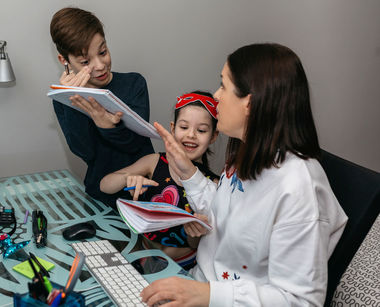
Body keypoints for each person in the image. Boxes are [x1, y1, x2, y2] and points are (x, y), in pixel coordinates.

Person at [140, 43, 348, 306]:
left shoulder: (297, 185)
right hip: (198, 285)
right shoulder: (248, 153)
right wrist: (189, 173)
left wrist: (208, 295)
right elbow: (226, 217)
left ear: (249, 102)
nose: (216, 96)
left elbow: (300, 301)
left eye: (223, 86)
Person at [100, 91, 220, 268]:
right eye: (184, 127)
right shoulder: (155, 161)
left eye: (201, 130)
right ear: (172, 128)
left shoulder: (213, 185)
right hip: (142, 252)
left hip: (182, 265)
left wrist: (193, 232)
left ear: (213, 136)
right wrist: (128, 178)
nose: (191, 135)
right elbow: (105, 186)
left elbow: (198, 245)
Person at [49, 7, 154, 207]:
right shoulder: (62, 98)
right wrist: (72, 99)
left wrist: (107, 126)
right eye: (86, 61)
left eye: (103, 52)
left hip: (143, 191)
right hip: (100, 198)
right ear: (64, 60)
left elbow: (136, 144)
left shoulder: (134, 84)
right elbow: (85, 152)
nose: (100, 65)